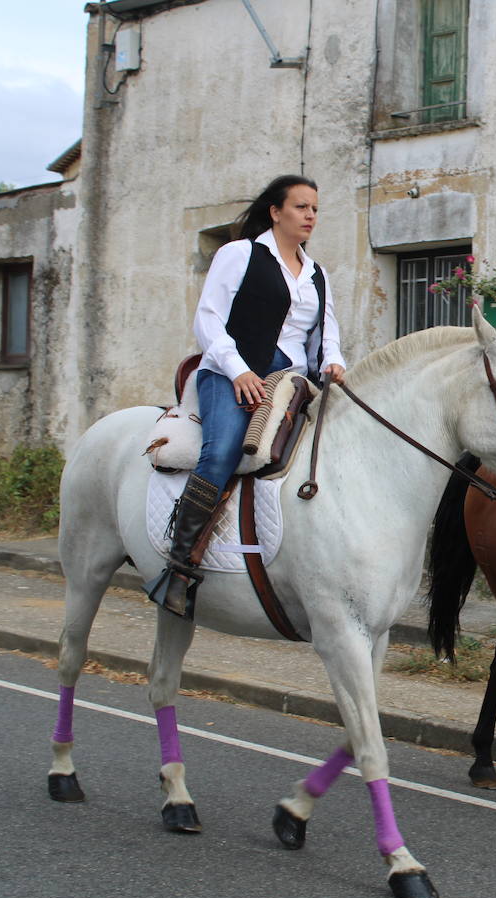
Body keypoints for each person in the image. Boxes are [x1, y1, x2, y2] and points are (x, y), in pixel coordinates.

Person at [145, 174, 346, 618]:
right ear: (276, 212)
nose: (311, 215)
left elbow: (328, 334)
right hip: (231, 373)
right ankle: (180, 567)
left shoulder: (317, 274)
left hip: (293, 381)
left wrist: (335, 361)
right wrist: (238, 371)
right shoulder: (238, 255)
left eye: (315, 208)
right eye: (301, 207)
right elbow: (209, 320)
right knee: (222, 452)